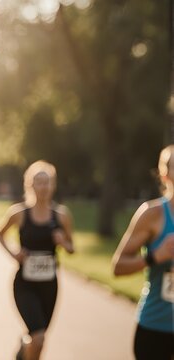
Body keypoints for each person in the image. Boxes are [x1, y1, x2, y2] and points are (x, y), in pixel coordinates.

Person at [0, 160, 74, 360]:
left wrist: (63, 242)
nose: (43, 187)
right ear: (30, 185)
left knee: (38, 337)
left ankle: (24, 347)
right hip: (25, 284)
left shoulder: (61, 215)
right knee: (39, 339)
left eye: (47, 182)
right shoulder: (19, 213)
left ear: (53, 185)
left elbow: (72, 248)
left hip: (49, 285)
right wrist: (14, 253)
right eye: (39, 182)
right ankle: (27, 345)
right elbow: (0, 234)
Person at [112, 145, 174, 360]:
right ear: (165, 175)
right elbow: (118, 266)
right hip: (155, 327)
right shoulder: (152, 214)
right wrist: (156, 256)